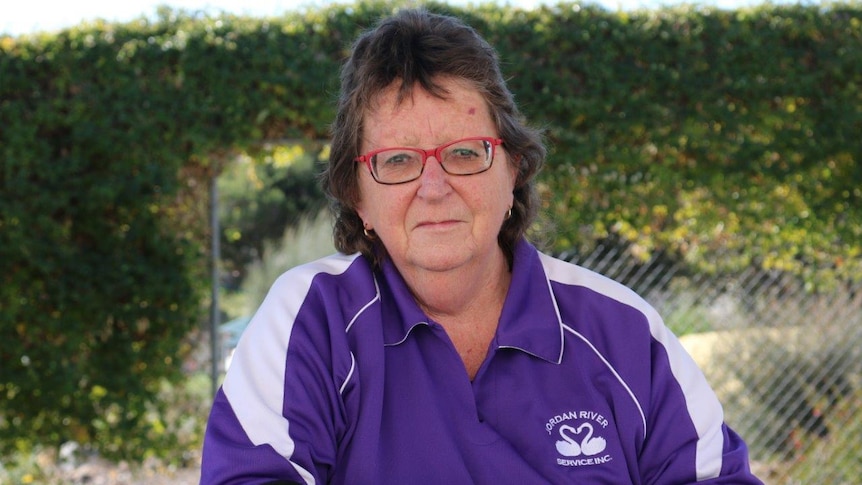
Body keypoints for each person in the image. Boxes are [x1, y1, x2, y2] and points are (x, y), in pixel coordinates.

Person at [201, 8, 762, 484]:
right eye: (397, 161)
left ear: (514, 168)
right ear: (356, 196)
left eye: (466, 152)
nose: (435, 187)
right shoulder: (311, 320)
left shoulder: (621, 331)